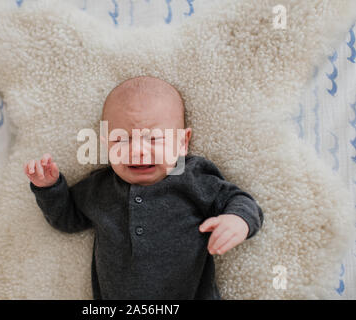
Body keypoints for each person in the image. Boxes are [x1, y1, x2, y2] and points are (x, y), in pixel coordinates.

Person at [24, 75, 264, 299]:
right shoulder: (99, 188)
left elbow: (241, 201)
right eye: (122, 139)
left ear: (182, 142)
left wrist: (237, 220)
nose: (137, 151)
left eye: (154, 138)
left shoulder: (192, 177)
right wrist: (50, 187)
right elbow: (67, 219)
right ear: (106, 144)